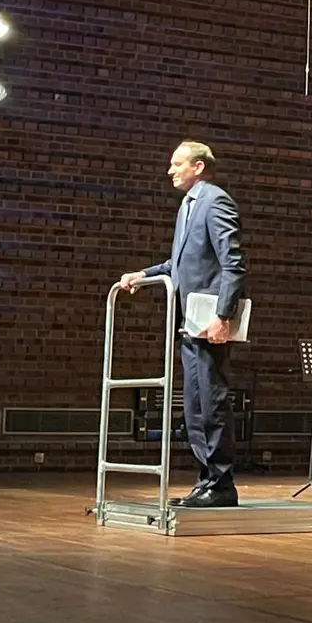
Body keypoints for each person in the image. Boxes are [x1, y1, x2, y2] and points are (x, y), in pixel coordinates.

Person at [119, 141, 246, 508]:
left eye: (177, 164)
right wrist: (143, 274)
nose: (170, 170)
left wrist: (223, 316)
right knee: (194, 404)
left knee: (211, 400)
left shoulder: (215, 201)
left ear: (198, 167)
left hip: (209, 320)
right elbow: (178, 263)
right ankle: (207, 480)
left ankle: (221, 484)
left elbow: (232, 263)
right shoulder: (188, 205)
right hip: (189, 320)